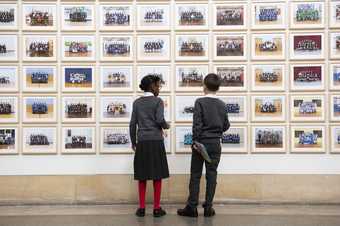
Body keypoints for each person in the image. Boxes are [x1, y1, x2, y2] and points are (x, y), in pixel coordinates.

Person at [177, 73, 230, 217]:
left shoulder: (199, 102)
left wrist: (195, 141)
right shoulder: (222, 104)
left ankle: (192, 208)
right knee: (212, 175)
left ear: (204, 86)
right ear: (218, 87)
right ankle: (208, 208)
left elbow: (197, 125)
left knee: (195, 175)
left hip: (201, 144)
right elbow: (226, 125)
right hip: (215, 144)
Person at [129, 75, 170, 218]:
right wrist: (166, 125)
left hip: (142, 141)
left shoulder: (137, 103)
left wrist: (134, 142)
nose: (159, 88)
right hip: (156, 141)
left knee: (142, 175)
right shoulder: (158, 101)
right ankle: (157, 208)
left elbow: (132, 123)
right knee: (157, 175)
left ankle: (141, 208)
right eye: (158, 86)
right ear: (152, 86)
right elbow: (160, 120)